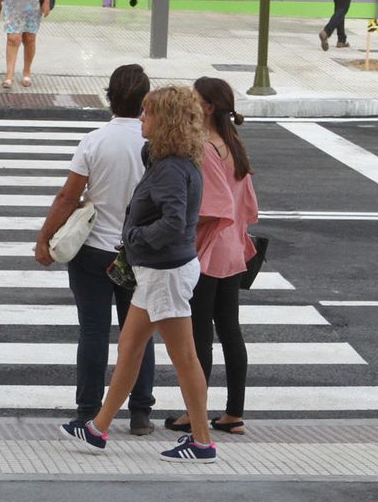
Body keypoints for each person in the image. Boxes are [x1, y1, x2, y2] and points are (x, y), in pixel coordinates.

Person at [59, 86, 216, 463]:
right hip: (158, 272)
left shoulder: (170, 169)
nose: (142, 118)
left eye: (148, 113)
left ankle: (203, 441)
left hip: (165, 273)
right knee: (129, 349)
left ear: (166, 121)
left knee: (185, 358)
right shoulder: (172, 161)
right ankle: (97, 428)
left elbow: (174, 222)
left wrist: (133, 237)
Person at [34, 64, 156, 435]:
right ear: (145, 101)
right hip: (138, 252)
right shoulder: (156, 142)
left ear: (109, 97)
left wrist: (45, 239)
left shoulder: (95, 140)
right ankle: (139, 412)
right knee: (138, 334)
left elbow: (68, 197)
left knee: (92, 330)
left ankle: (87, 410)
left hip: (93, 250)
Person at [168, 77, 257, 437]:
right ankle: (234, 412)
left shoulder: (203, 148)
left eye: (194, 97)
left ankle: (195, 414)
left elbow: (210, 206)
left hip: (208, 249)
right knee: (230, 329)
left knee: (200, 332)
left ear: (206, 107)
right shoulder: (233, 144)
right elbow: (248, 206)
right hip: (234, 248)